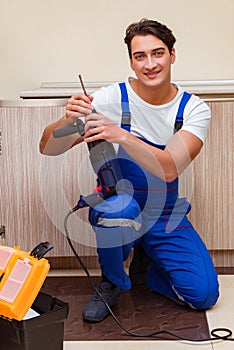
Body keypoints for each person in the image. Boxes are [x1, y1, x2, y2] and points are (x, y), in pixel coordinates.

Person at [39, 18, 219, 323]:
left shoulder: (193, 109)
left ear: (172, 55)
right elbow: (49, 147)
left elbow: (169, 169)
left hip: (164, 213)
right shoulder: (111, 98)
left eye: (158, 53)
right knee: (119, 211)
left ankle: (148, 266)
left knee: (203, 295)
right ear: (132, 62)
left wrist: (120, 133)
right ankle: (112, 279)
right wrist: (67, 120)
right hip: (119, 203)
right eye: (140, 56)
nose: (150, 64)